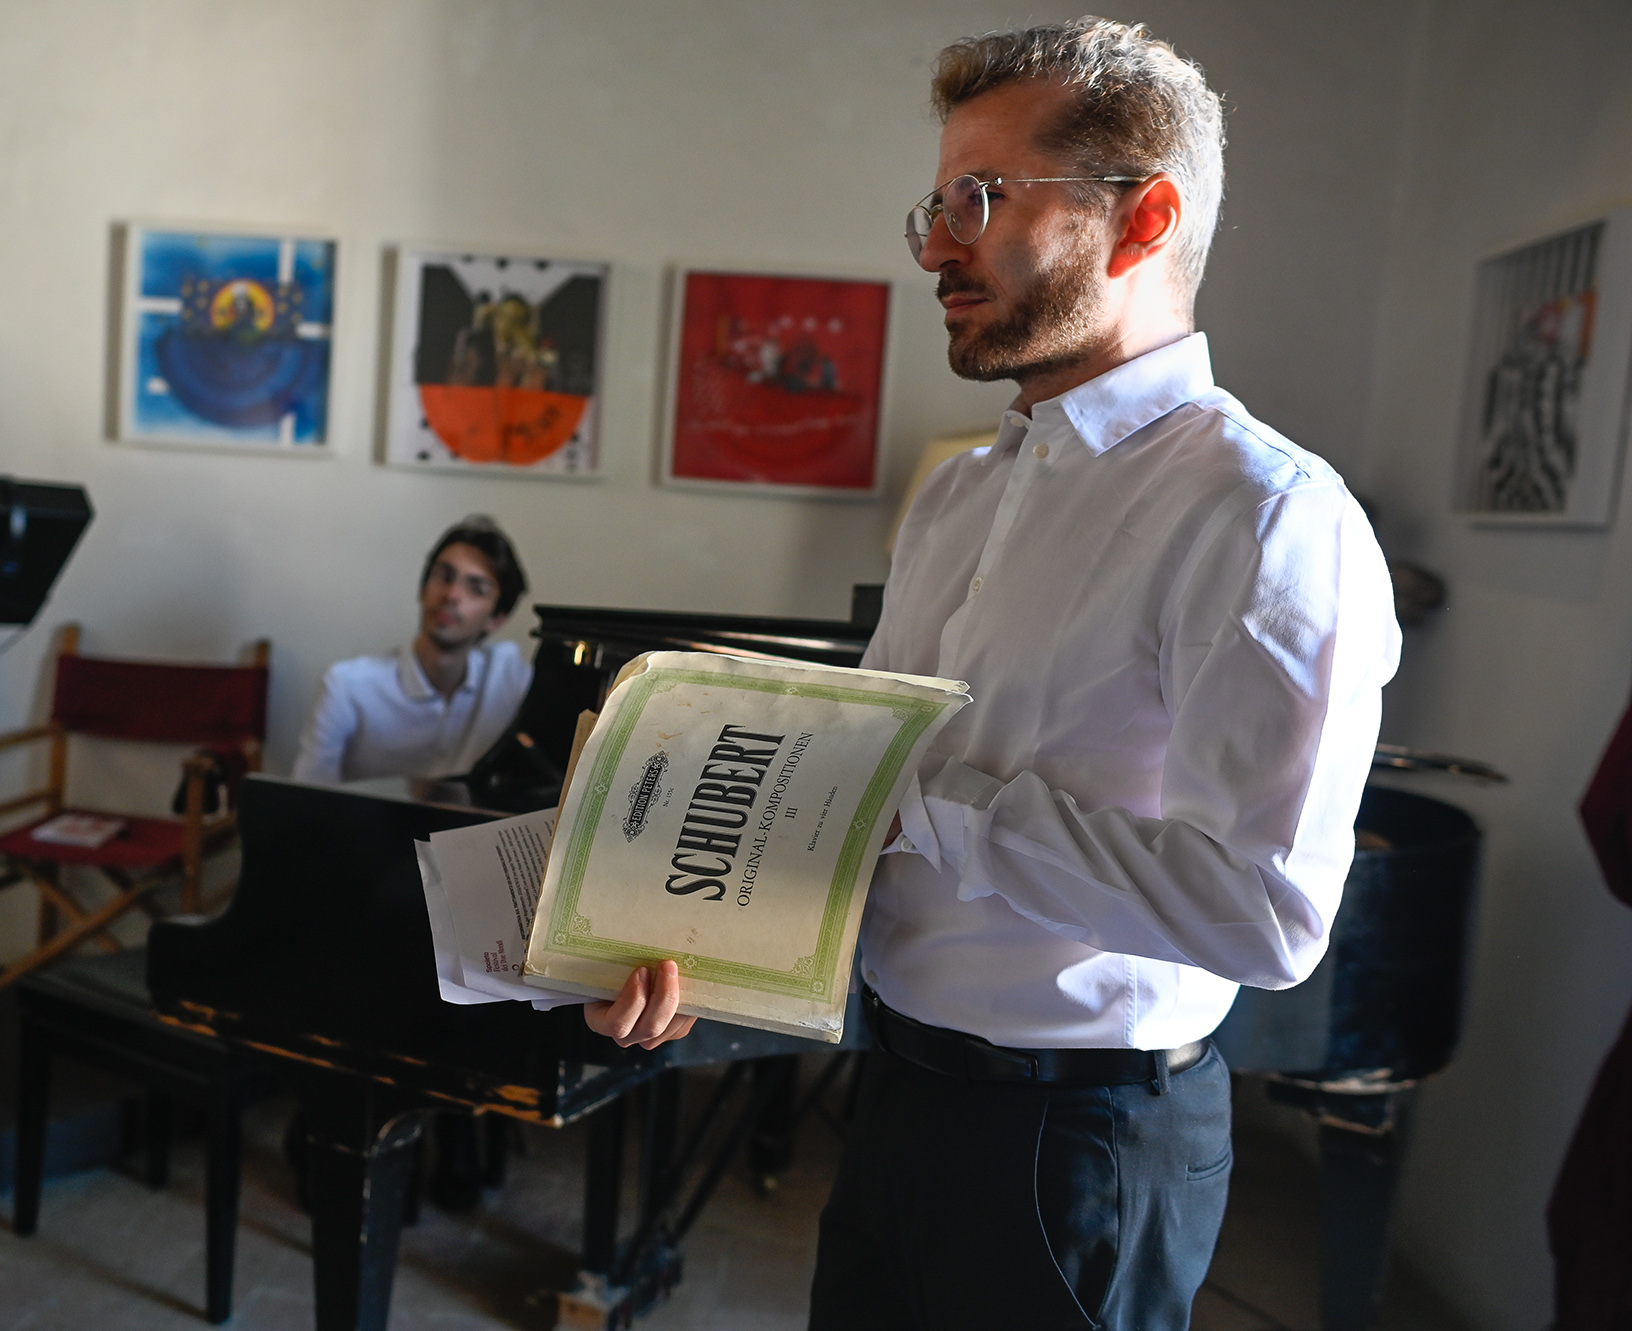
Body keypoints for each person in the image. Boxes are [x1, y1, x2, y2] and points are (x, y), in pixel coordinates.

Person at [586, 19, 1401, 1329]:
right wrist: (689, 952)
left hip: (1079, 1139)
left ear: (1144, 221)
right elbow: (849, 789)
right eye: (934, 206)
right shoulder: (962, 492)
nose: (936, 247)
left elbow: (1265, 914)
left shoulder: (1265, 516)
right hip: (899, 1091)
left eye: (981, 200)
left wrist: (926, 801)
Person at [291, 516, 532, 784]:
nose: (452, 594)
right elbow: (307, 798)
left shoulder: (508, 679)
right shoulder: (346, 686)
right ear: (423, 589)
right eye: (444, 576)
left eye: (476, 588)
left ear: (496, 619)